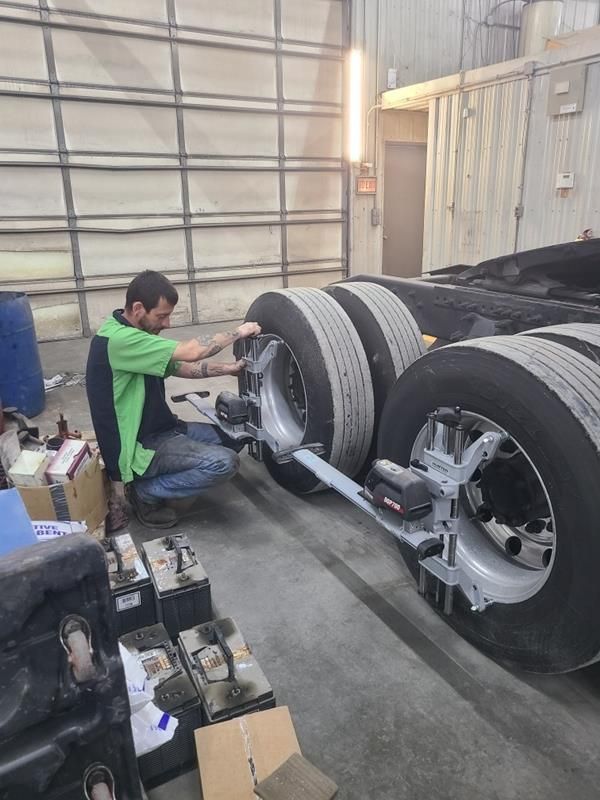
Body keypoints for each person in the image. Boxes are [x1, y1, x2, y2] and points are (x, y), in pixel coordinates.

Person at [86, 270, 261, 528]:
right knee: (225, 463)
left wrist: (228, 369)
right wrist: (240, 330)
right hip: (140, 445)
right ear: (138, 309)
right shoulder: (118, 340)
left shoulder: (136, 337)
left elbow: (181, 367)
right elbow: (191, 352)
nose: (167, 324)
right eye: (162, 316)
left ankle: (163, 477)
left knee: (233, 437)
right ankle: (145, 492)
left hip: (164, 429)